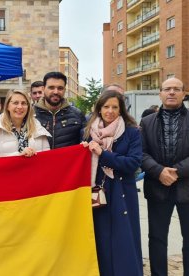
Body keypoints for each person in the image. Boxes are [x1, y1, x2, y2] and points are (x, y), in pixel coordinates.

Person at [83, 90, 143, 276]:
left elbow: (133, 163)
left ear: (121, 109)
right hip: (97, 191)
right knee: (100, 237)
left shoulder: (132, 132)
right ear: (99, 109)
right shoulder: (86, 133)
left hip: (122, 190)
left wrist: (103, 154)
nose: (110, 111)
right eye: (106, 106)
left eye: (114, 107)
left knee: (123, 237)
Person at [140, 77, 189, 276]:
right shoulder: (146, 121)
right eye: (167, 89)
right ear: (160, 93)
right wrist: (158, 171)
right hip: (157, 187)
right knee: (157, 239)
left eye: (176, 89)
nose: (171, 92)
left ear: (184, 94)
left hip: (187, 187)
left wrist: (176, 171)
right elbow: (140, 153)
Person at [0, 90, 50, 157]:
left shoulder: (38, 128)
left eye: (24, 103)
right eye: (15, 103)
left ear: (28, 107)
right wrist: (19, 156)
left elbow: (47, 159)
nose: (20, 107)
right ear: (7, 106)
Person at [35, 71, 85, 149]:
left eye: (60, 88)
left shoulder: (77, 114)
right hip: (40, 161)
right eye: (51, 87)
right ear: (43, 89)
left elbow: (85, 141)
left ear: (65, 89)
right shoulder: (31, 115)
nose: (56, 92)